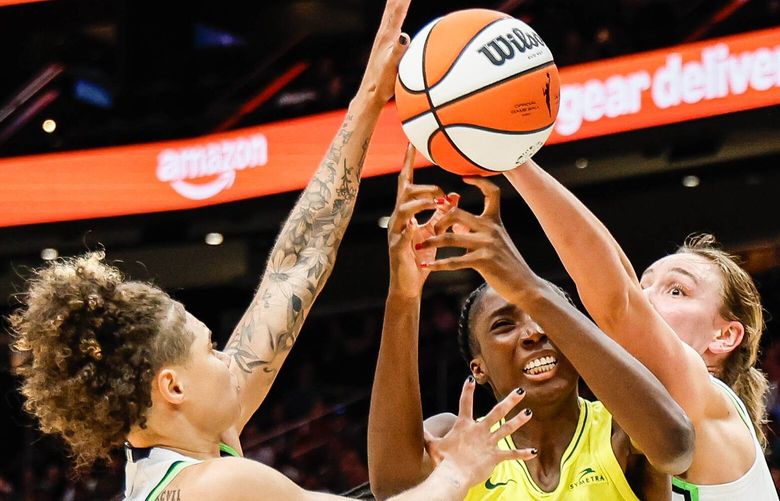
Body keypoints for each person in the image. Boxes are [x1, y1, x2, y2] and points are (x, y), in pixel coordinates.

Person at [8, 1, 541, 499]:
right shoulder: (217, 485)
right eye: (210, 349)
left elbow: (297, 265)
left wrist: (366, 102)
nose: (229, 358)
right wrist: (460, 468)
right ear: (172, 386)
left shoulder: (167, 456)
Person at [367, 146, 695, 500]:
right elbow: (392, 490)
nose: (534, 333)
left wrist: (530, 288)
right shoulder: (459, 443)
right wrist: (403, 296)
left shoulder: (620, 428)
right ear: (478, 369)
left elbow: (674, 447)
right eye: (504, 325)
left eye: (544, 316)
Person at [503, 159, 778, 499]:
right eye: (645, 284)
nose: (647, 298)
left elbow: (620, 305)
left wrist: (512, 161)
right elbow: (623, 289)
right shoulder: (630, 422)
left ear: (724, 336)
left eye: (677, 290)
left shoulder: (710, 398)